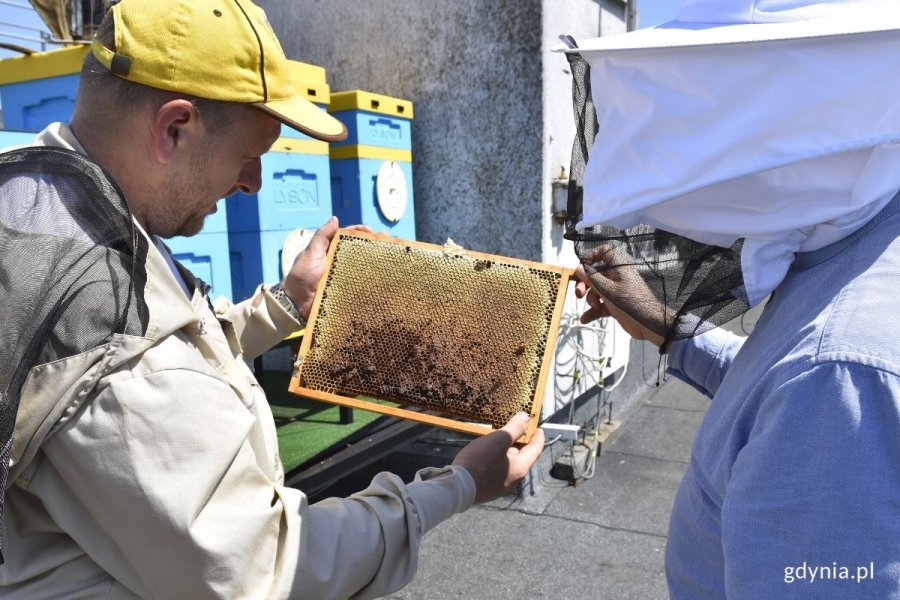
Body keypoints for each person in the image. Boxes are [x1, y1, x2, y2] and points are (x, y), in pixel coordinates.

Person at [0, 0, 544, 598]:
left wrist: (288, 302)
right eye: (249, 154)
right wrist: (459, 483)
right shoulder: (109, 331)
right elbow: (265, 567)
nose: (252, 183)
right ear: (173, 127)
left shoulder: (40, 194)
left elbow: (174, 346)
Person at [562, 0, 900, 597]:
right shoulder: (852, 248)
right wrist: (673, 329)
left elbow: (813, 388)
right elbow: (774, 396)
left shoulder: (841, 376)